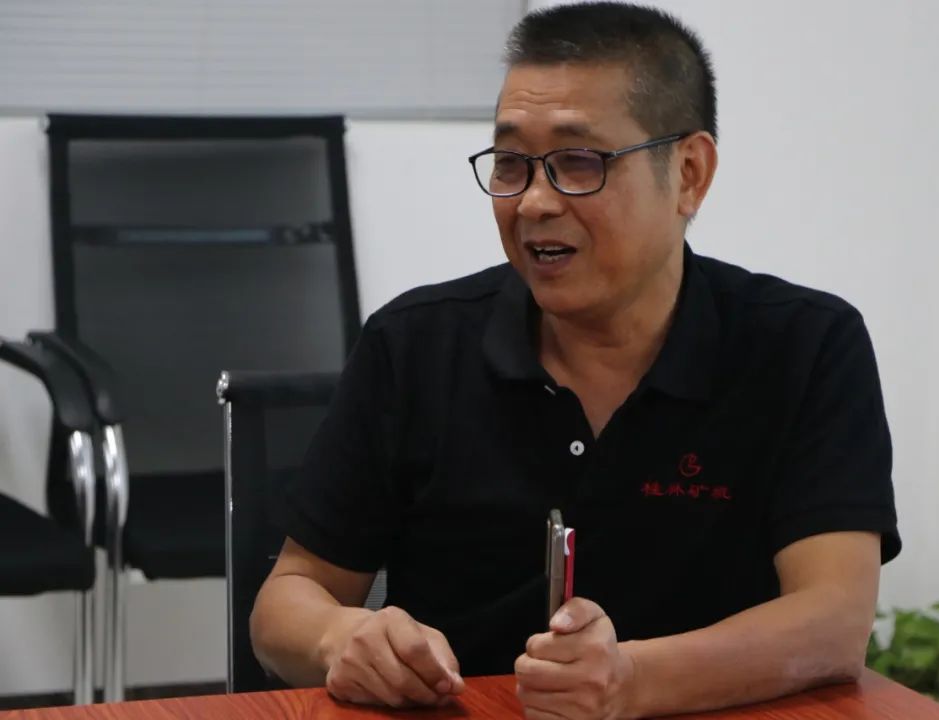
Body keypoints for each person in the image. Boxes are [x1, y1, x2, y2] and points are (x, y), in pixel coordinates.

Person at [250, 3, 901, 718]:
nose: (534, 202)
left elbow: (834, 620)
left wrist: (632, 681)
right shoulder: (414, 345)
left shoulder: (804, 346)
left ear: (689, 173)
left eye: (578, 163)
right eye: (511, 164)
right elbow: (286, 601)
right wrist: (342, 637)